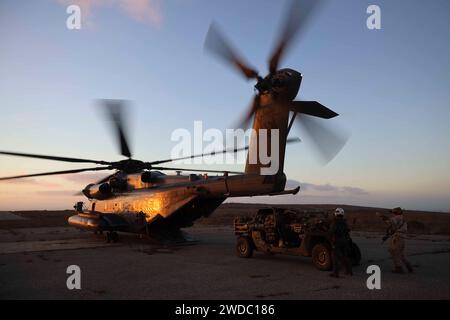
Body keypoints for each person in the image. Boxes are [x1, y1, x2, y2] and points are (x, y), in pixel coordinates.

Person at [380, 207, 413, 273]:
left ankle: (398, 268)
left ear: (396, 212)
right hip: (402, 238)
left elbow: (391, 222)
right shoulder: (402, 218)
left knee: (393, 251)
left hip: (397, 238)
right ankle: (409, 266)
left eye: (393, 212)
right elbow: (393, 226)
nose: (392, 213)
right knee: (400, 254)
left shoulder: (397, 218)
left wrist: (383, 217)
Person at [329, 208, 352, 278]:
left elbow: (332, 232)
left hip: (337, 241)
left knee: (335, 258)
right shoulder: (344, 222)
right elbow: (348, 231)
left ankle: (335, 273)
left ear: (336, 213)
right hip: (344, 241)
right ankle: (349, 271)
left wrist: (331, 240)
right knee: (345, 256)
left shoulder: (335, 222)